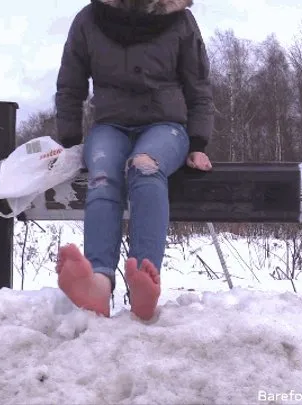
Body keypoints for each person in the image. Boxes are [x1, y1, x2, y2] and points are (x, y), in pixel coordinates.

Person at [53, 0, 214, 321]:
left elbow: (198, 86)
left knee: (145, 167)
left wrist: (198, 142)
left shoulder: (180, 21)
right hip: (110, 126)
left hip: (166, 126)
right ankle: (98, 281)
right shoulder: (88, 19)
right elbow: (70, 85)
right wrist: (70, 139)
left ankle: (144, 276)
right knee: (102, 179)